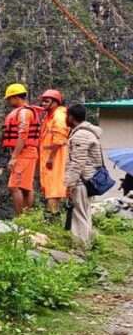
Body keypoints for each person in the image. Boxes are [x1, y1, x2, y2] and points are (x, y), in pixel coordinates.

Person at [1, 83, 44, 216]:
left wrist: (14, 157)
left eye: (9, 98)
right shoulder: (25, 111)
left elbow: (23, 135)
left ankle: (20, 218)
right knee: (25, 186)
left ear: (15, 97)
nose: (8, 102)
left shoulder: (24, 113)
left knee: (14, 186)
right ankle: (25, 218)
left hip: (25, 153)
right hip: (27, 152)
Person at [64, 103, 103, 248]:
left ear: (71, 117)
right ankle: (88, 243)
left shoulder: (80, 135)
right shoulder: (88, 133)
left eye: (67, 116)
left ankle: (80, 247)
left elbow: (77, 162)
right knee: (85, 212)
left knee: (78, 214)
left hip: (81, 181)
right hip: (89, 179)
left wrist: (70, 183)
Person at [38, 90, 69, 217]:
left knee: (54, 187)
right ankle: (52, 214)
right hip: (49, 155)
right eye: (43, 101)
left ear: (56, 102)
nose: (43, 104)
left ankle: (53, 216)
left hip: (56, 156)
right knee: (50, 186)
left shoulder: (59, 116)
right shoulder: (49, 116)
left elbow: (59, 139)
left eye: (47, 101)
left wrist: (51, 158)